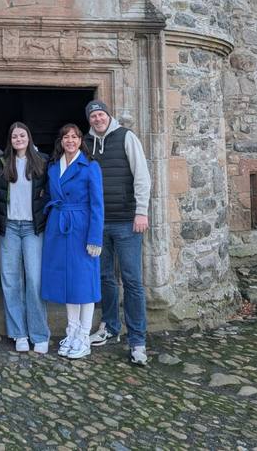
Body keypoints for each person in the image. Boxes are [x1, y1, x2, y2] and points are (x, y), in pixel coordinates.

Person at [83, 100, 150, 366]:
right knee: (105, 277)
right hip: (99, 224)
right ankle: (110, 327)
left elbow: (141, 175)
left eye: (101, 115)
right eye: (93, 116)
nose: (97, 119)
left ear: (107, 116)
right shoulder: (86, 143)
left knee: (132, 281)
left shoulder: (126, 137)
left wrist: (141, 211)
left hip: (126, 222)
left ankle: (137, 340)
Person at [41, 123, 103, 360]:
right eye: (66, 137)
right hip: (58, 225)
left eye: (74, 137)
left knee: (83, 282)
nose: (70, 141)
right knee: (67, 281)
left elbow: (98, 204)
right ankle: (72, 331)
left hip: (81, 227)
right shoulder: (54, 167)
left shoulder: (90, 167)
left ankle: (84, 336)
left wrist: (95, 237)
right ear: (61, 141)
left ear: (80, 141)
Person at [0, 122, 50, 354]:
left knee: (34, 280)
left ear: (28, 137)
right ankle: (18, 333)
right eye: (14, 136)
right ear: (10, 140)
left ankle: (39, 334)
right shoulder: (2, 163)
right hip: (9, 226)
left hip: (32, 228)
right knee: (11, 281)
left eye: (22, 135)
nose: (18, 139)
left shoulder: (42, 162)